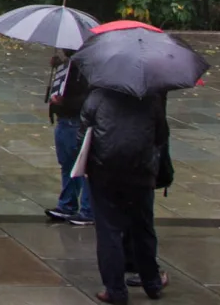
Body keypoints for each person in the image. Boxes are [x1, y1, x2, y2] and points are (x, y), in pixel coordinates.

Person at [81, 87, 171, 303]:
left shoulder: (97, 97)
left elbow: (83, 132)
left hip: (105, 173)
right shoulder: (151, 98)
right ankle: (152, 283)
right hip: (141, 174)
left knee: (109, 232)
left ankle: (115, 290)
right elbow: (161, 136)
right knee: (143, 228)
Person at [46, 51, 94, 226]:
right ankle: (67, 205)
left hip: (74, 122)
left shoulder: (85, 69)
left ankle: (87, 210)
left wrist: (64, 103)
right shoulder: (70, 65)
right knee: (68, 165)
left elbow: (87, 99)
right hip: (65, 121)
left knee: (80, 166)